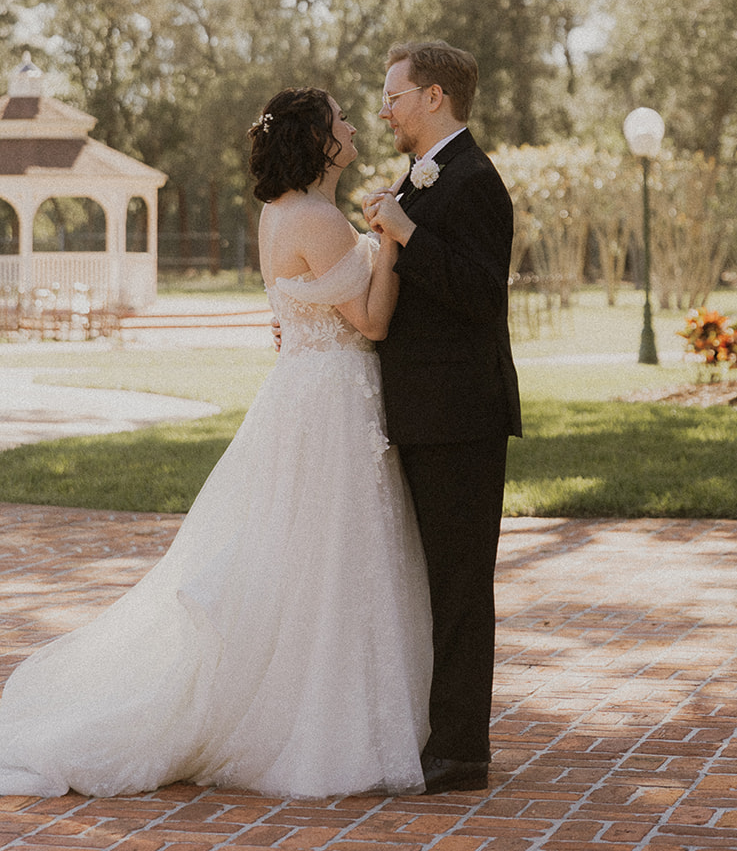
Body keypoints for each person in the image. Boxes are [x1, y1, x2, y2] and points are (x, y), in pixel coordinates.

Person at [0, 87, 432, 800]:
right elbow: (375, 322)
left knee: (298, 554)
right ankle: (314, 720)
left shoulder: (281, 213)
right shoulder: (319, 220)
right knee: (326, 556)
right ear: (322, 142)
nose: (355, 126)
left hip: (303, 389)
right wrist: (389, 238)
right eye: (342, 119)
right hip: (328, 401)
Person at [364, 40, 521, 797]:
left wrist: (406, 232)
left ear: (434, 97)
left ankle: (460, 750)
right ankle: (436, 730)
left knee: (460, 585)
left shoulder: (476, 180)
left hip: (460, 415)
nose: (383, 108)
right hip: (425, 411)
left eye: (393, 94)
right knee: (434, 583)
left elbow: (483, 295)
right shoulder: (428, 177)